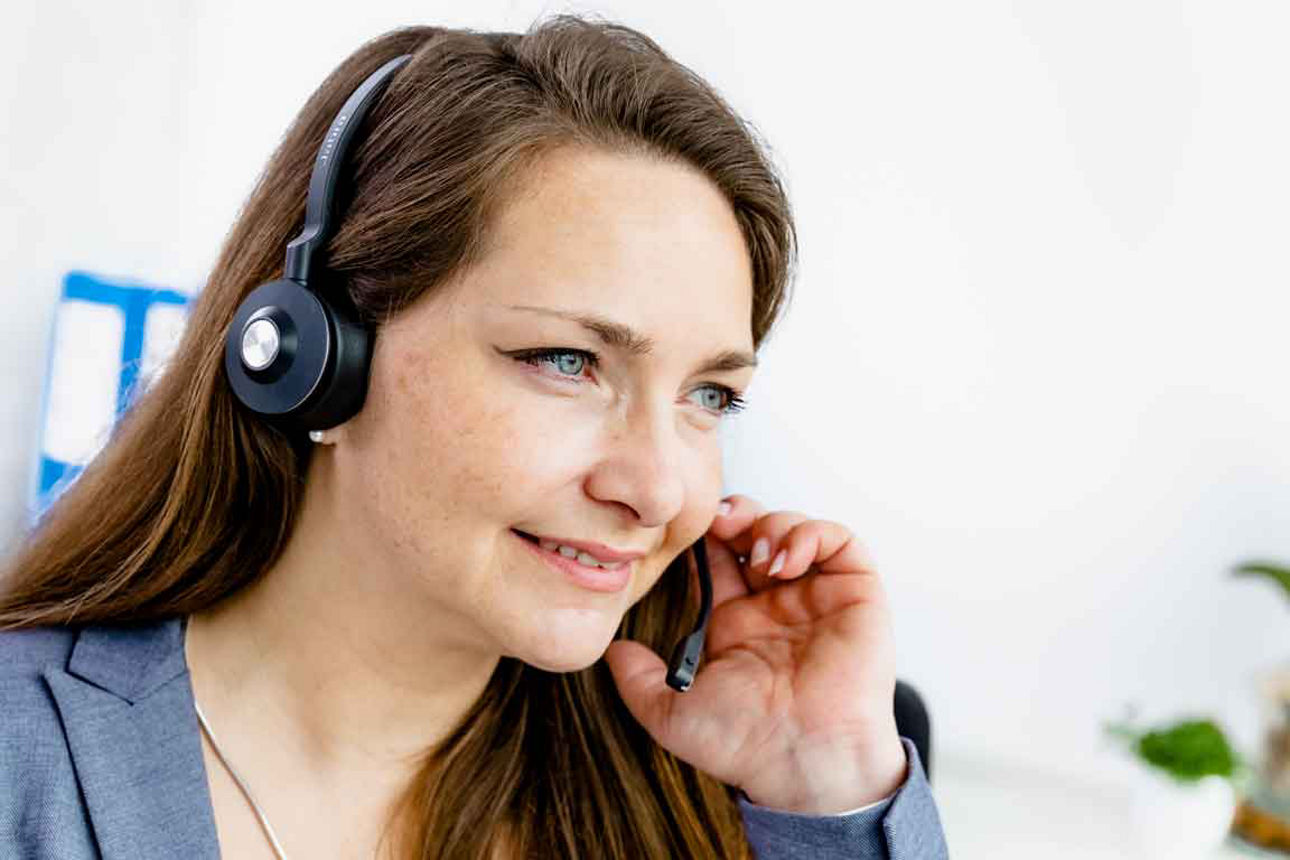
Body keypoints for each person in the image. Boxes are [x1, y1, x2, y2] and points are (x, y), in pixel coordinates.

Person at [0, 14, 949, 859]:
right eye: (568, 361)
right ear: (316, 356)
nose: (660, 490)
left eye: (710, 396)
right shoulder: (24, 765)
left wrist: (828, 796)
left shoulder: (733, 792)